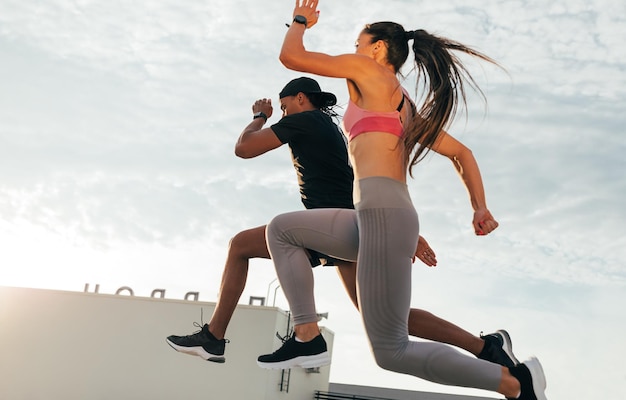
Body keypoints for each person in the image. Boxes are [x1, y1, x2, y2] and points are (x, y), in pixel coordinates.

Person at [258, 2, 547, 400]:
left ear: (377, 49)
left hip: (383, 215)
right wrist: (479, 206)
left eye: (358, 43)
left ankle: (515, 384)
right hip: (372, 216)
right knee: (283, 230)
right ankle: (306, 334)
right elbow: (462, 153)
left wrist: (301, 21)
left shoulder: (370, 72)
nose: (354, 50)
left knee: (391, 351)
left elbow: (291, 57)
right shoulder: (403, 105)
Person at [165, 78, 517, 373]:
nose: (283, 114)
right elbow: (355, 183)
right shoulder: (329, 129)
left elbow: (244, 148)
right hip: (353, 228)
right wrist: (403, 233)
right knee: (383, 317)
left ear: (301, 99)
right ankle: (486, 348)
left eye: (285, 106)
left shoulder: (307, 120)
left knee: (242, 245)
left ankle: (219, 337)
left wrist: (259, 117)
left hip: (337, 228)